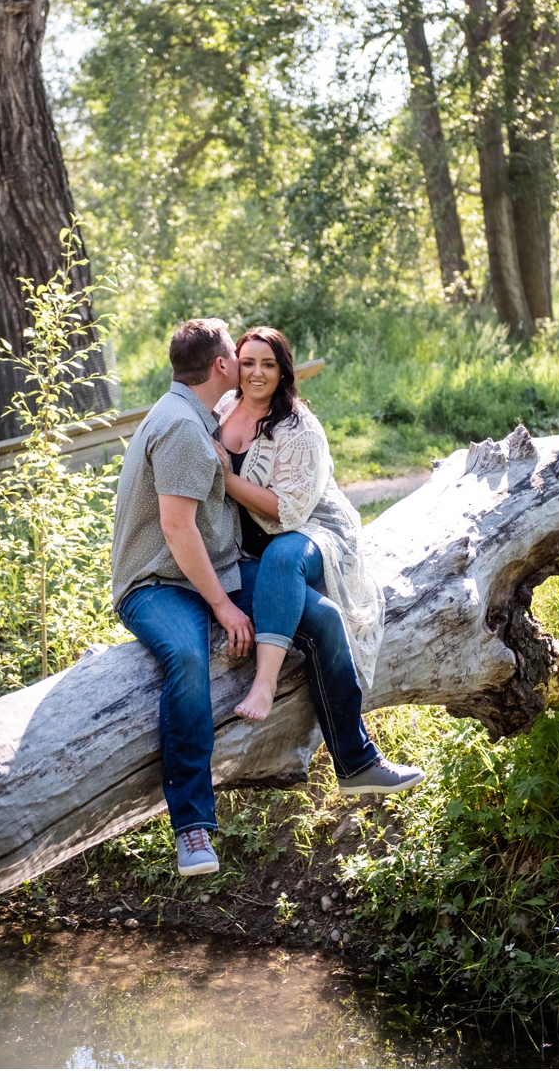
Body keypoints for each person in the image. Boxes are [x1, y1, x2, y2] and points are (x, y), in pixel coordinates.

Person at [111, 319, 421, 879]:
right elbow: (178, 531)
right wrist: (226, 608)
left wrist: (231, 590)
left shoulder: (205, 412)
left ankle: (356, 762)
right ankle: (193, 828)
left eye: (262, 362)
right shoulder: (184, 426)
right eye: (236, 355)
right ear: (221, 367)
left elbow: (273, 504)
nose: (245, 365)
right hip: (159, 583)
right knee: (186, 659)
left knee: (323, 619)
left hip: (219, 568)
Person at [211, 326, 384, 724]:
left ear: (283, 371)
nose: (257, 373)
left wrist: (229, 479)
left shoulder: (298, 427)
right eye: (249, 362)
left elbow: (287, 513)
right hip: (250, 544)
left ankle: (265, 682)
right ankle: (355, 760)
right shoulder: (222, 407)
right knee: (322, 618)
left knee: (283, 556)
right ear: (235, 366)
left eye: (268, 365)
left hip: (314, 529)